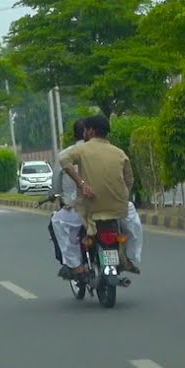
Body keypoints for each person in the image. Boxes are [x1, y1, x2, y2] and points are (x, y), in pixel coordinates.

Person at [58, 115, 137, 278]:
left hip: (90, 209)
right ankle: (129, 258)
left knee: (59, 222)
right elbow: (129, 179)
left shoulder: (81, 150)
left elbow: (64, 160)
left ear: (91, 131)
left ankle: (75, 265)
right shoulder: (119, 153)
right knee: (134, 225)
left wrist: (81, 184)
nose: (84, 134)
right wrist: (122, 197)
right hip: (118, 209)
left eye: (85, 130)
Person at [49, 120, 87, 269]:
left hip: (77, 208)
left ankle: (74, 264)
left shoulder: (65, 155)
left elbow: (56, 185)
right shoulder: (108, 152)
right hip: (107, 205)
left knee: (57, 222)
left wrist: (54, 194)